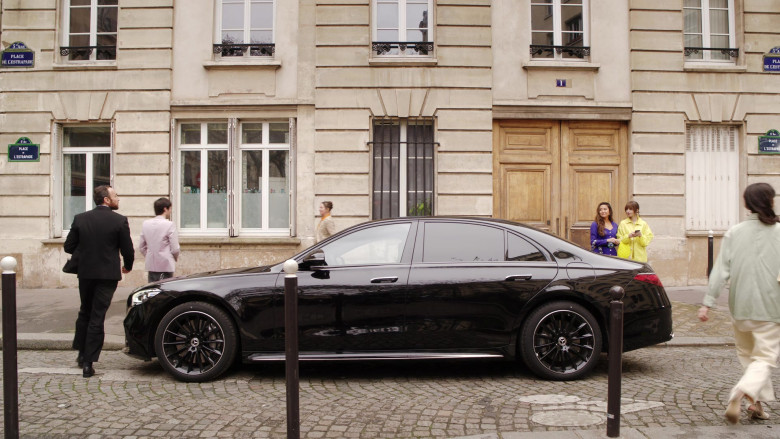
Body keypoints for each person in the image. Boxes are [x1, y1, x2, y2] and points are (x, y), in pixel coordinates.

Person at [698, 182, 780, 424]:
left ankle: (756, 405)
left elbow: (720, 270)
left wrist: (707, 303)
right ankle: (741, 391)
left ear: (747, 203)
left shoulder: (735, 231)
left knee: (748, 357)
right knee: (764, 359)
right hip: (770, 306)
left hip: (740, 306)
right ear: (771, 200)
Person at [64, 185, 134, 378]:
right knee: (97, 316)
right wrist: (128, 265)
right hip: (107, 275)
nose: (118, 198)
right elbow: (127, 249)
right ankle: (89, 362)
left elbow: (69, 246)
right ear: (106, 200)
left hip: (86, 273)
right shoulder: (119, 221)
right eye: (115, 196)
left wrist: (87, 251)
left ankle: (81, 354)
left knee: (84, 311)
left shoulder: (81, 218)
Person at [139, 197, 180, 283]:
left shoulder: (146, 224)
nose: (170, 211)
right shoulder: (169, 224)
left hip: (151, 264)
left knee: (152, 290)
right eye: (170, 209)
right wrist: (174, 258)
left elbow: (142, 246)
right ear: (165, 209)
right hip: (165, 263)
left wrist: (150, 255)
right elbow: (175, 248)